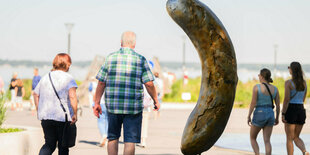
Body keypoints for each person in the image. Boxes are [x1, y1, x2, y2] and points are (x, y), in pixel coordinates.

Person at [93, 31, 160, 155]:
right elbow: (149, 83)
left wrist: (96, 102)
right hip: (133, 108)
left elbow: (101, 82)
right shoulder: (140, 59)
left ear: (121, 42)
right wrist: (155, 100)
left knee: (112, 138)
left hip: (113, 106)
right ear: (134, 44)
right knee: (130, 141)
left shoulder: (110, 58)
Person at [33, 53, 78, 155]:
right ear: (67, 64)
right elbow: (72, 96)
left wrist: (38, 109)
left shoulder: (45, 77)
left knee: (49, 144)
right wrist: (75, 113)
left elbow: (35, 94)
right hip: (62, 117)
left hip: (46, 117)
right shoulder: (69, 78)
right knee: (63, 147)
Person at [247, 68, 280, 155]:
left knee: (253, 138)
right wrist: (277, 118)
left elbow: (253, 103)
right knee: (267, 141)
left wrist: (249, 116)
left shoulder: (257, 87)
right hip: (270, 113)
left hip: (259, 113)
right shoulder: (275, 89)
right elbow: (278, 105)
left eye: (259, 75)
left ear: (262, 76)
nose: (258, 76)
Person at [282, 62, 309, 155]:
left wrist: (283, 113)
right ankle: (304, 151)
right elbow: (303, 99)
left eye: (289, 67)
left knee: (289, 138)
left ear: (292, 70)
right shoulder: (304, 83)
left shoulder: (288, 83)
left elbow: (286, 99)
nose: (288, 69)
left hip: (291, 109)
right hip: (301, 109)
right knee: (296, 137)